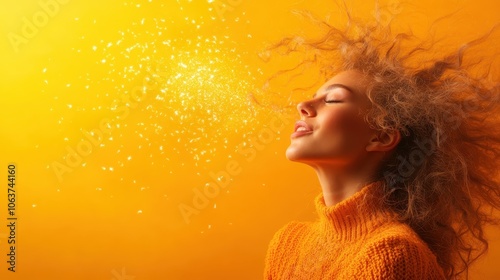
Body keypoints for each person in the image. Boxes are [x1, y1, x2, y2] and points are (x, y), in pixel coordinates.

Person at [262, 6, 500, 280]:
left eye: (333, 99)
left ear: (382, 136)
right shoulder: (289, 243)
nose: (303, 105)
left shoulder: (391, 252)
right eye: (313, 96)